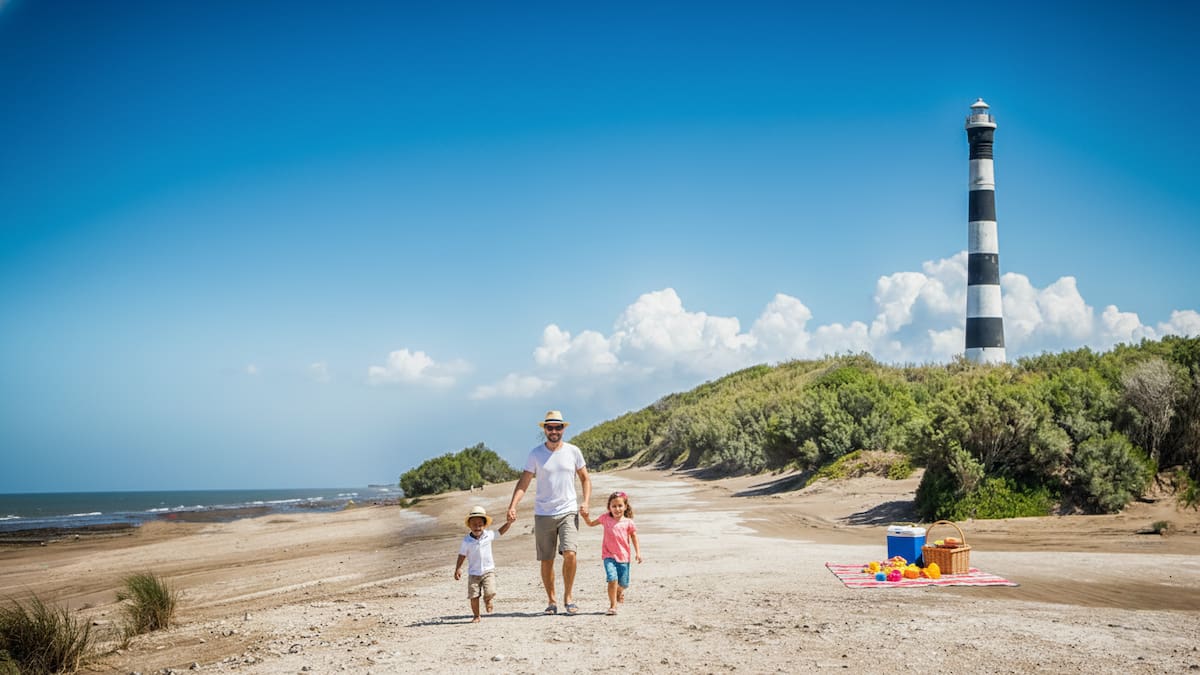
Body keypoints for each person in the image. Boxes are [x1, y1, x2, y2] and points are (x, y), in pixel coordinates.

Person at [506, 410, 592, 615]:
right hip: (543, 513)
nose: (554, 431)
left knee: (570, 553)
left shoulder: (573, 451)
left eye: (558, 427)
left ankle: (568, 597)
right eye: (550, 427)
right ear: (544, 429)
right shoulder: (535, 454)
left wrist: (586, 501)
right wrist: (513, 505)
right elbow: (524, 482)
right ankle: (551, 600)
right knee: (547, 559)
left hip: (568, 511)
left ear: (564, 429)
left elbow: (585, 479)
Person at [582, 490, 642, 615]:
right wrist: (585, 517)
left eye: (620, 506)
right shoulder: (605, 518)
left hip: (624, 557)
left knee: (624, 584)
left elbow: (634, 537)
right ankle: (613, 606)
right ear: (609, 507)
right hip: (608, 555)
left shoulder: (629, 522)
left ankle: (619, 591)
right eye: (613, 506)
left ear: (625, 507)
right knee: (612, 578)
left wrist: (638, 553)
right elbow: (591, 524)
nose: (617, 509)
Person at [453, 505, 512, 622]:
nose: (477, 527)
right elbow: (462, 555)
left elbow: (500, 532)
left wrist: (509, 523)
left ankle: (488, 599)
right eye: (474, 524)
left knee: (491, 591)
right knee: (473, 596)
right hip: (473, 573)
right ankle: (476, 616)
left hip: (488, 570)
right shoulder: (466, 541)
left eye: (480, 524)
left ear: (484, 525)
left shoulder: (488, 535)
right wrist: (458, 568)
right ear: (469, 525)